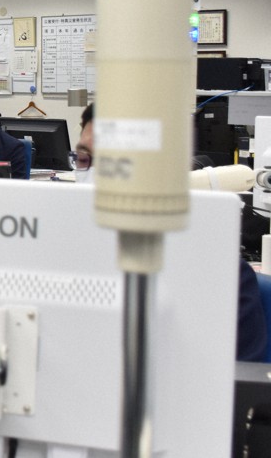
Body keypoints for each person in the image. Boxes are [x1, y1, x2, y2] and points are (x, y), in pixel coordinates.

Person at [75, 102, 267, 361]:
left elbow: (240, 380)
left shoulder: (219, 276)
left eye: (114, 162)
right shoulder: (58, 253)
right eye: (84, 159)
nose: (94, 175)